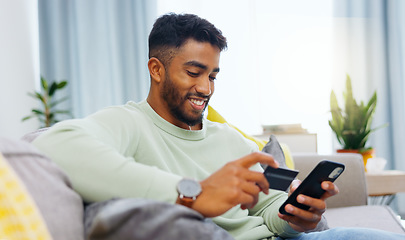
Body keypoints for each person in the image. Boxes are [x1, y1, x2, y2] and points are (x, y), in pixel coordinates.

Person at [33, 13, 404, 240]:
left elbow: (268, 213)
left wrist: (296, 217)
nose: (206, 88)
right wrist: (190, 193)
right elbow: (55, 145)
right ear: (156, 69)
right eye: (194, 73)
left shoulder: (229, 138)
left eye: (213, 75)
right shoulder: (128, 122)